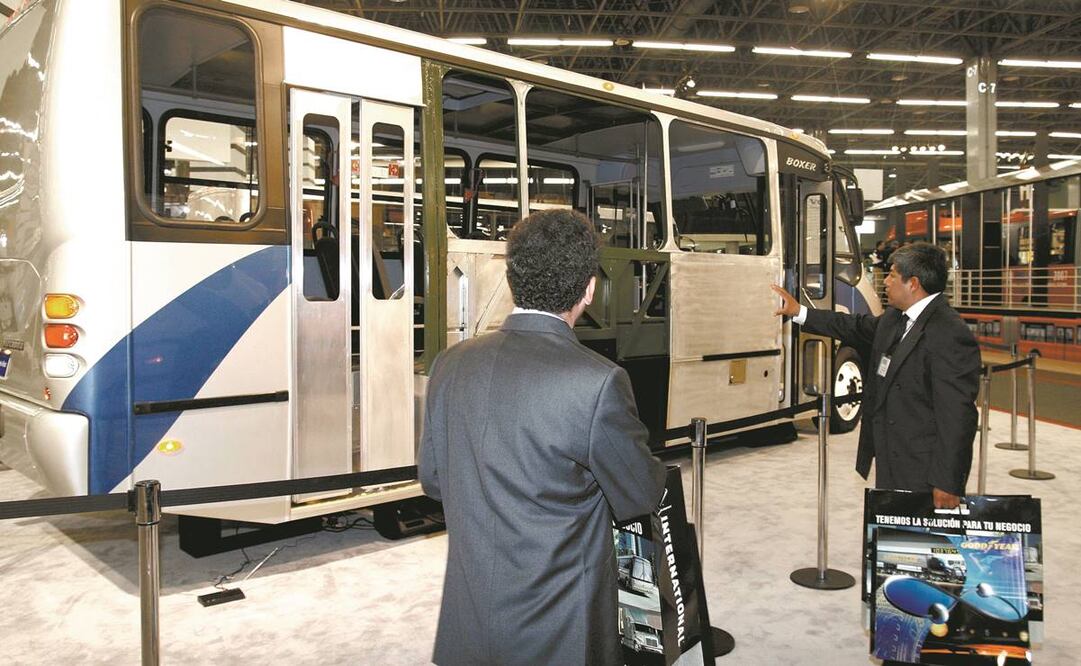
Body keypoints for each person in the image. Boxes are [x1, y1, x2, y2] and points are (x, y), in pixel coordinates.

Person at [418, 208, 667, 666]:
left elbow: (434, 481)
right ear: (589, 288)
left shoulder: (449, 364)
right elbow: (639, 494)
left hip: (471, 618)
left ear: (513, 280)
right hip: (561, 627)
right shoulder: (597, 382)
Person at [771, 242, 980, 509]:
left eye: (892, 275)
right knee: (894, 538)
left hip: (924, 468)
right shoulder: (895, 318)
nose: (886, 282)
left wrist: (948, 482)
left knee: (923, 540)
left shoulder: (949, 333)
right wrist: (800, 312)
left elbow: (958, 416)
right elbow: (853, 326)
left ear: (913, 283)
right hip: (891, 455)